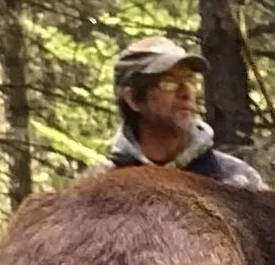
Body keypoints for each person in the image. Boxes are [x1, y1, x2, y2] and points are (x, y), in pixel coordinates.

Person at [103, 36, 265, 185]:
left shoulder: (236, 180)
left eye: (190, 81)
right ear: (132, 99)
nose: (186, 93)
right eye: (168, 82)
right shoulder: (100, 186)